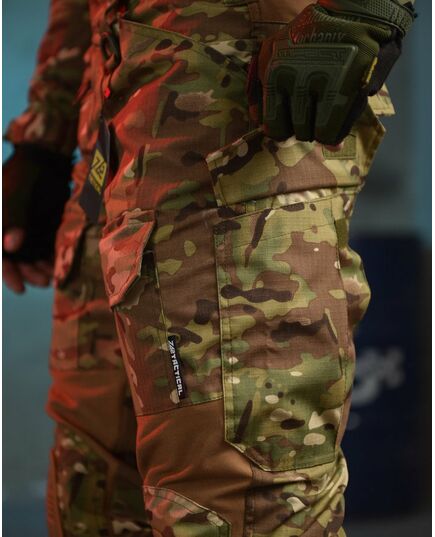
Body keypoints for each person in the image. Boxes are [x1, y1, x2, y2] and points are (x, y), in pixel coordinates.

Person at [3, 0, 416, 535]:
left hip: (242, 119)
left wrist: (360, 10)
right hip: (109, 135)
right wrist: (46, 134)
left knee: (241, 502)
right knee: (95, 487)